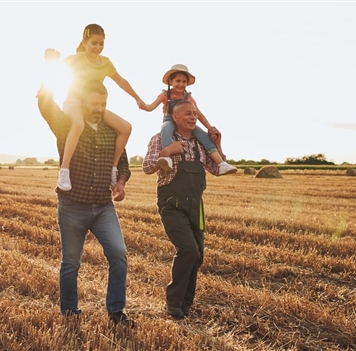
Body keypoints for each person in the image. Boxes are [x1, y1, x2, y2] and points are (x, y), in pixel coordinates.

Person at [36, 79, 134, 327]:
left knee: (119, 255)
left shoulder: (111, 131)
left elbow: (123, 163)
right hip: (72, 206)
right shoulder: (67, 126)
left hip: (103, 206)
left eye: (103, 103)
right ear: (82, 102)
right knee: (71, 263)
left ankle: (116, 312)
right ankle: (69, 312)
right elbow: (48, 110)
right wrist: (46, 85)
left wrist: (121, 182)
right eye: (94, 103)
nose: (99, 108)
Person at [143, 99, 227, 319]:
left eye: (195, 114)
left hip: (195, 205)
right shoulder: (161, 138)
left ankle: (185, 304)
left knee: (197, 256)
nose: (193, 117)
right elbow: (147, 167)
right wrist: (167, 151)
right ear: (175, 117)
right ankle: (174, 303)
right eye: (188, 114)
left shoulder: (201, 143)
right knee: (188, 250)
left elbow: (217, 169)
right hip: (172, 202)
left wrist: (218, 144)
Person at [46, 23, 146, 192]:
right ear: (84, 42)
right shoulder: (75, 59)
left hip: (94, 107)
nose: (98, 47)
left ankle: (113, 169)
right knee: (78, 124)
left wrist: (137, 98)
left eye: (101, 43)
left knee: (125, 128)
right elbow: (56, 70)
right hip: (74, 103)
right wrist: (50, 61)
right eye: (94, 43)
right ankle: (64, 170)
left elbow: (121, 82)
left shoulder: (106, 63)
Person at [141, 64, 237, 175]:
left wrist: (210, 128)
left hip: (186, 123)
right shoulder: (165, 95)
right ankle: (167, 158)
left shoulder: (189, 97)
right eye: (178, 81)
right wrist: (145, 106)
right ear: (170, 82)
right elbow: (151, 107)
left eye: (184, 82)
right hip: (169, 120)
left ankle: (221, 163)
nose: (181, 84)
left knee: (204, 136)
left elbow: (199, 114)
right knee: (165, 128)